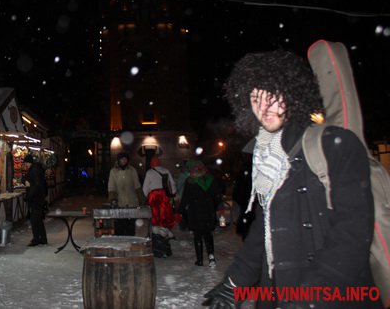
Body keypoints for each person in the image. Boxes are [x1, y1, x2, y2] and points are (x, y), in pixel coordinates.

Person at [204, 50, 379, 308]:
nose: (263, 107)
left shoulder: (333, 145)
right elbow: (264, 232)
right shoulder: (265, 158)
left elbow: (352, 234)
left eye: (272, 96)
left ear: (291, 94)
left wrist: (308, 298)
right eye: (255, 98)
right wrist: (234, 284)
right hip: (278, 294)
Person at [179, 160, 222, 267]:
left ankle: (200, 260)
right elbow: (217, 196)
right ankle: (211, 257)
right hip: (208, 211)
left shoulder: (190, 182)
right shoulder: (211, 180)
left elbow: (185, 198)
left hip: (195, 212)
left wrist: (180, 211)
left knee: (197, 236)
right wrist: (215, 207)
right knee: (208, 234)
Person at [108, 152, 146, 236]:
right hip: (120, 204)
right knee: (119, 227)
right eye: (122, 159)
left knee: (131, 228)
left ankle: (130, 245)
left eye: (125, 159)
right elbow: (112, 187)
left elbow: (137, 185)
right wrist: (113, 199)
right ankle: (120, 245)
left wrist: (141, 198)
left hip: (132, 203)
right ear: (118, 160)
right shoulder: (113, 172)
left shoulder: (132, 170)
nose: (124, 160)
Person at [142, 154, 178, 231]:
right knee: (165, 210)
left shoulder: (149, 172)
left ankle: (156, 227)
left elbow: (146, 186)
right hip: (164, 193)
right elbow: (172, 183)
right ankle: (165, 226)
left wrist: (146, 195)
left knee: (155, 211)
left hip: (153, 194)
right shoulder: (166, 170)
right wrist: (173, 193)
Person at [24, 153, 48, 246]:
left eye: (25, 163)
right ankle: (42, 238)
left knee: (35, 220)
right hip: (39, 198)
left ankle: (36, 239)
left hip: (36, 199)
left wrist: (29, 195)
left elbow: (35, 185)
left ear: (29, 162)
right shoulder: (35, 169)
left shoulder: (34, 171)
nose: (25, 165)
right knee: (38, 219)